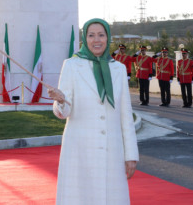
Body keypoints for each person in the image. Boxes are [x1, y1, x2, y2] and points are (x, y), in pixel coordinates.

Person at [48, 18, 138, 205]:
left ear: (108, 38)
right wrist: (61, 101)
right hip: (79, 150)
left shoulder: (119, 69)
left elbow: (125, 115)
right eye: (91, 35)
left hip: (111, 150)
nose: (96, 40)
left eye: (101, 35)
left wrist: (130, 155)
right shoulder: (72, 66)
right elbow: (63, 112)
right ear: (84, 39)